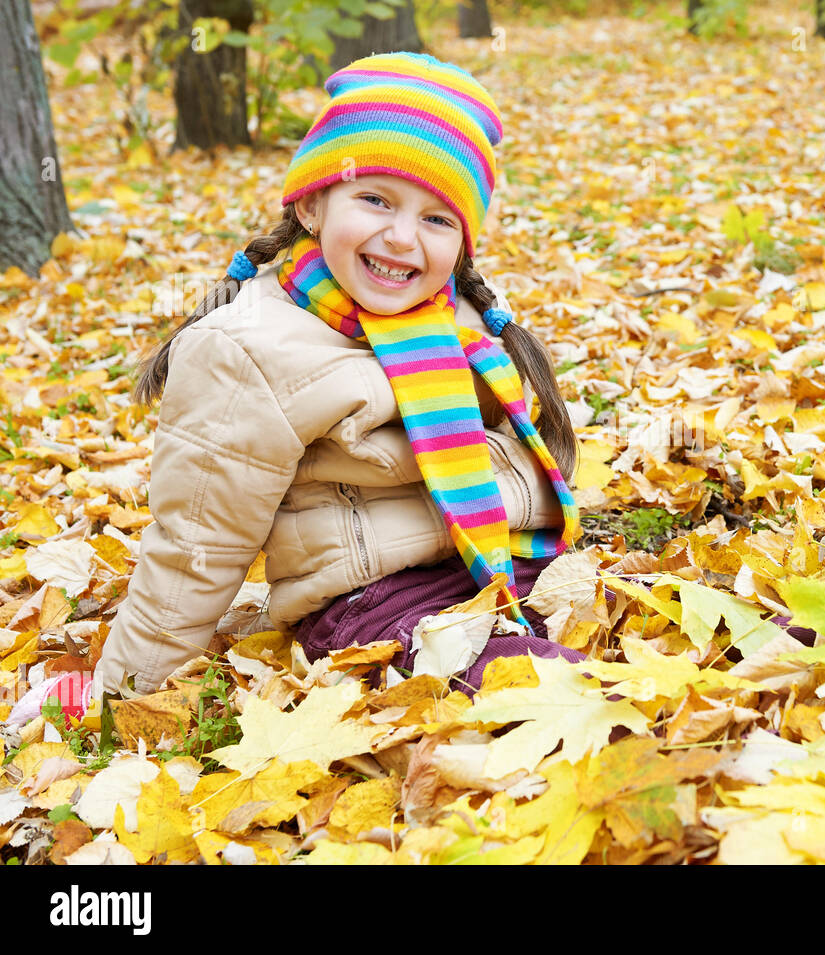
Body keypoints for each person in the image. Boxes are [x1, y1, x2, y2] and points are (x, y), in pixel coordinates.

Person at [93, 52, 585, 699]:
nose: (403, 237)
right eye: (376, 199)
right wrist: (125, 698)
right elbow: (196, 545)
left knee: (701, 637)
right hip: (369, 605)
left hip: (494, 565)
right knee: (538, 686)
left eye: (436, 218)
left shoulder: (453, 318)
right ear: (312, 206)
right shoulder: (249, 349)